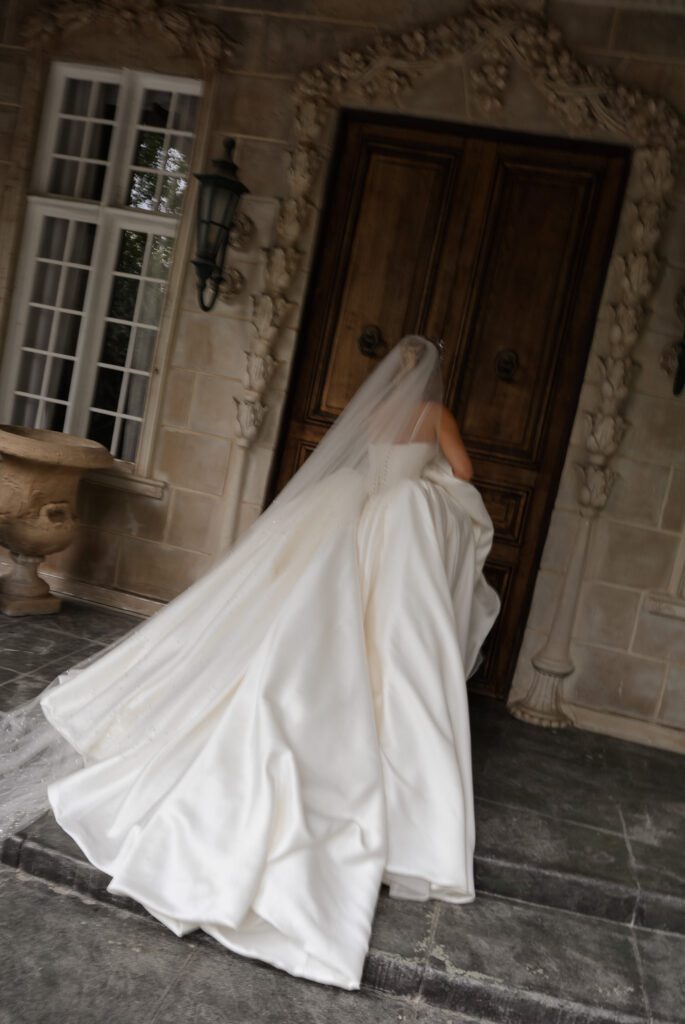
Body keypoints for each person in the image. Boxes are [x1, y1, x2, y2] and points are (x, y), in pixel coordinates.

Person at [0, 335, 500, 991]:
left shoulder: (376, 417)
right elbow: (460, 475)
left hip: (358, 519)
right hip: (398, 534)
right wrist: (431, 478)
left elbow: (372, 468)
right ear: (432, 380)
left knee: (327, 621)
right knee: (390, 635)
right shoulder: (435, 417)